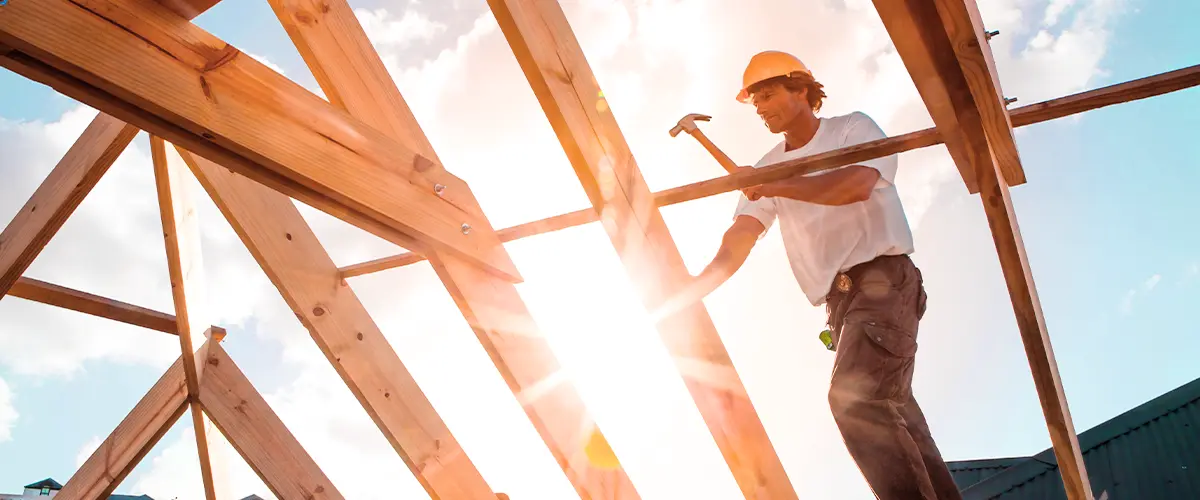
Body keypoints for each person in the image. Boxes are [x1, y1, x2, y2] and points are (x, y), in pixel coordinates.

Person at [684, 50, 962, 499]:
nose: (760, 108)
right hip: (843, 305)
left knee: (856, 402)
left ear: (801, 89)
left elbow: (854, 186)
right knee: (899, 419)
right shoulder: (767, 167)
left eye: (768, 95)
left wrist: (772, 183)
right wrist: (692, 288)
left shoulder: (851, 129)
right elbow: (741, 236)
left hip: (885, 283)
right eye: (754, 102)